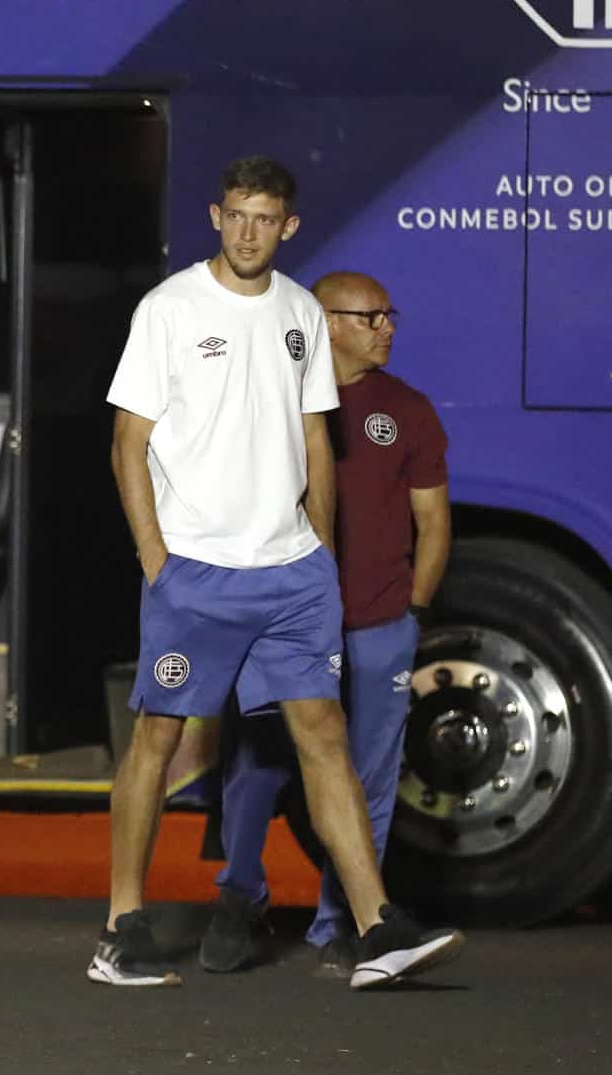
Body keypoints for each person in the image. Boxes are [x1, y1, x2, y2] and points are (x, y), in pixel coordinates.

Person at [90, 157, 462, 991]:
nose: (251, 232)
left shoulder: (300, 311)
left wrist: (321, 559)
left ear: (288, 227)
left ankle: (375, 927)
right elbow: (129, 442)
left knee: (323, 735)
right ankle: (120, 928)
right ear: (216, 216)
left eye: (268, 219)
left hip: (291, 574)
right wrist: (157, 560)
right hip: (198, 573)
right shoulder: (171, 309)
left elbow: (316, 446)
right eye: (238, 216)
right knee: (160, 736)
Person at [206, 270, 450, 977]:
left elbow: (433, 522)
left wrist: (415, 611)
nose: (387, 328)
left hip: (377, 625)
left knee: (368, 777)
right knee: (255, 764)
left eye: (388, 314)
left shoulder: (408, 409)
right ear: (327, 321)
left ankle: (338, 923)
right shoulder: (268, 396)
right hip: (278, 622)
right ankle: (238, 895)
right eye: (371, 316)